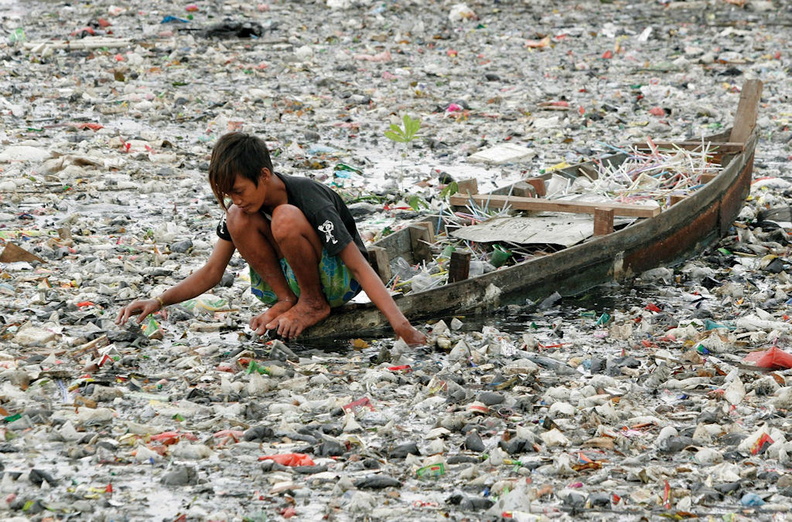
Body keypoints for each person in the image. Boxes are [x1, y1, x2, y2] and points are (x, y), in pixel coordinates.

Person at [116, 132, 426, 346]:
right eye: (228, 194)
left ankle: (312, 304)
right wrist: (158, 301)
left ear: (264, 175)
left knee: (285, 217)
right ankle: (287, 300)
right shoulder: (241, 209)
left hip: (336, 282)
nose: (235, 199)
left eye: (240, 191)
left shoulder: (308, 198)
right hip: (290, 285)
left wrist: (400, 324)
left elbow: (358, 266)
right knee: (236, 218)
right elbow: (212, 271)